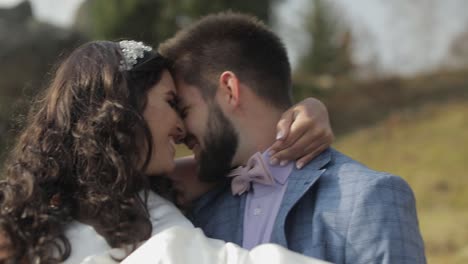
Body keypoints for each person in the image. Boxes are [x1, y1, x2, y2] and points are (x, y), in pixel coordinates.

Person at [0, 40, 333, 263]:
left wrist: (308, 109)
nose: (181, 125)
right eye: (171, 103)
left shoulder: (157, 188)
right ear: (123, 104)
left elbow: (251, 153)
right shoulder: (21, 219)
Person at [156, 12, 427, 264]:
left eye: (185, 109)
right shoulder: (197, 205)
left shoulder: (369, 198)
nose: (179, 131)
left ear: (229, 90)